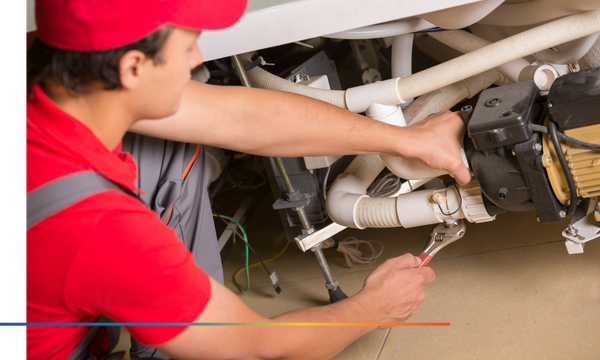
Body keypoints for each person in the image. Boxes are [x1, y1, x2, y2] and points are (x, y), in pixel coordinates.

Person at [24, 0, 471, 359]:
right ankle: (177, 336)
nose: (197, 58)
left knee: (168, 144)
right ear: (133, 68)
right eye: (187, 46)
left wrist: (405, 139)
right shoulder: (101, 230)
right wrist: (373, 308)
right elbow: (255, 347)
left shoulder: (55, 85)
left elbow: (239, 116)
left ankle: (164, 324)